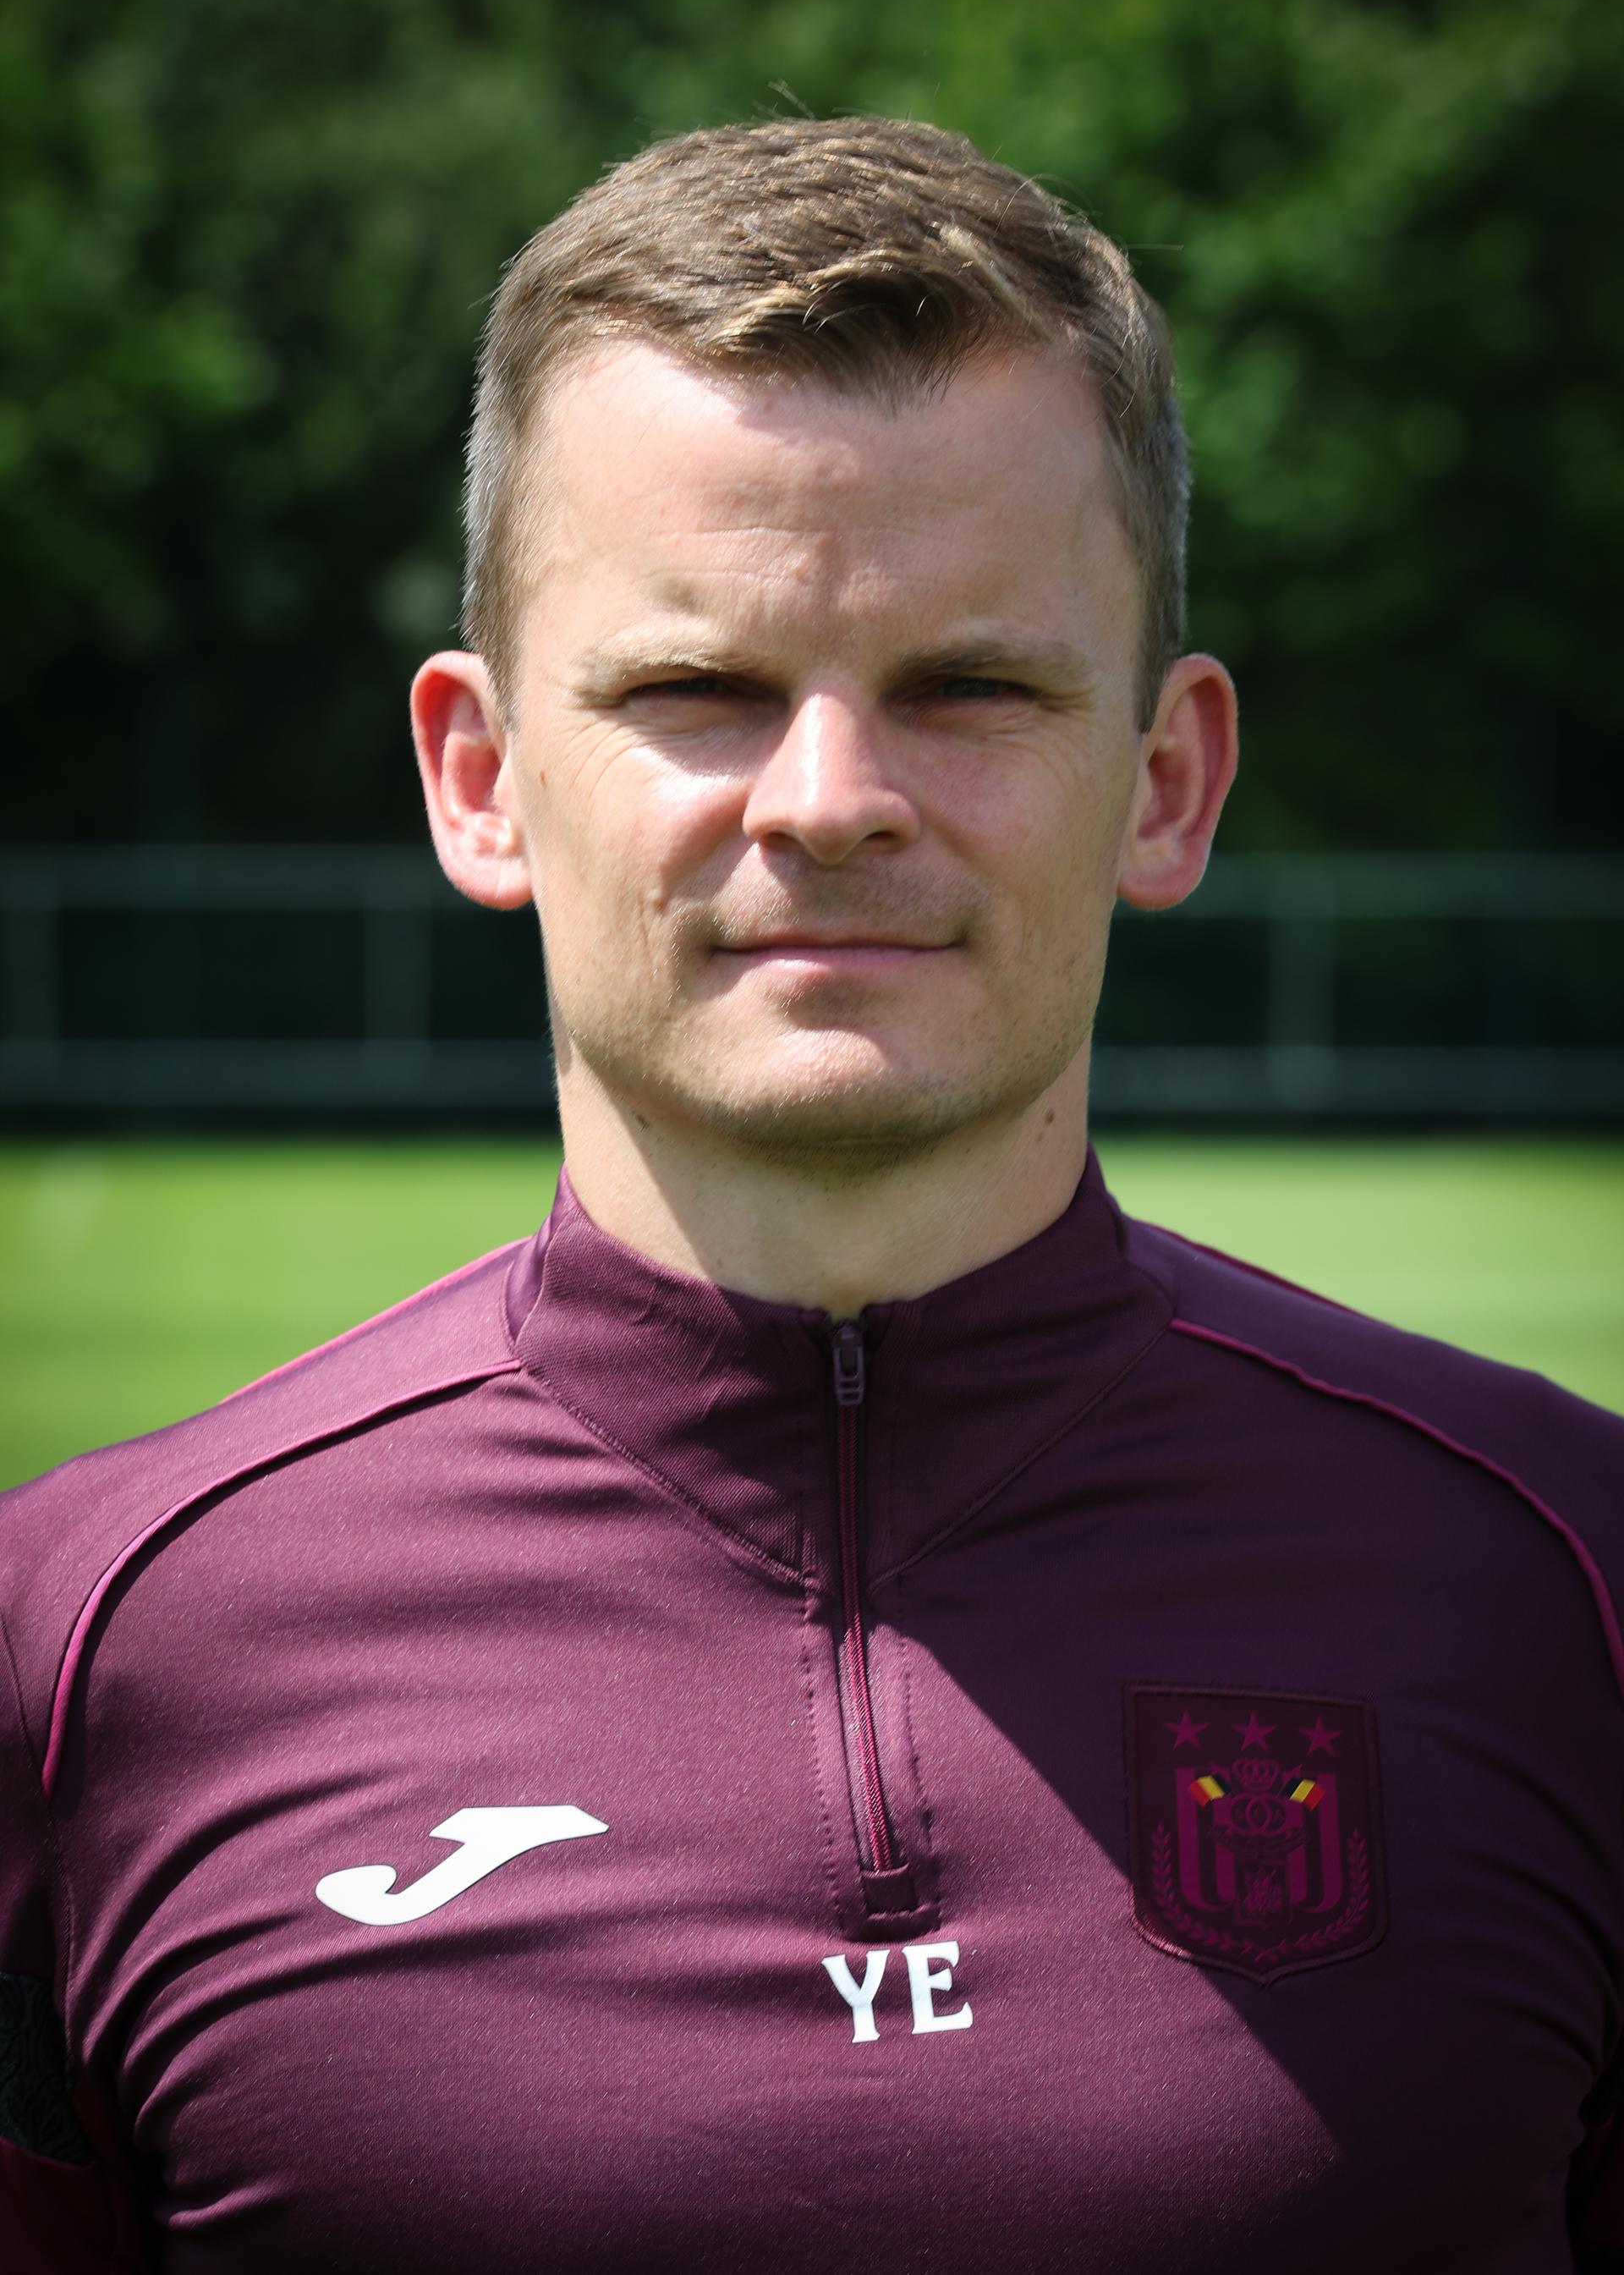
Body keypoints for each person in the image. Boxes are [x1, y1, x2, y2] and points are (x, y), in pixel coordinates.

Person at [3, 115, 1622, 2275]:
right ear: (479, 778)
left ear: (1168, 779)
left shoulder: (1566, 1591)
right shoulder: (84, 1647)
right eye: (698, 688)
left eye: (971, 686)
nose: (833, 800)